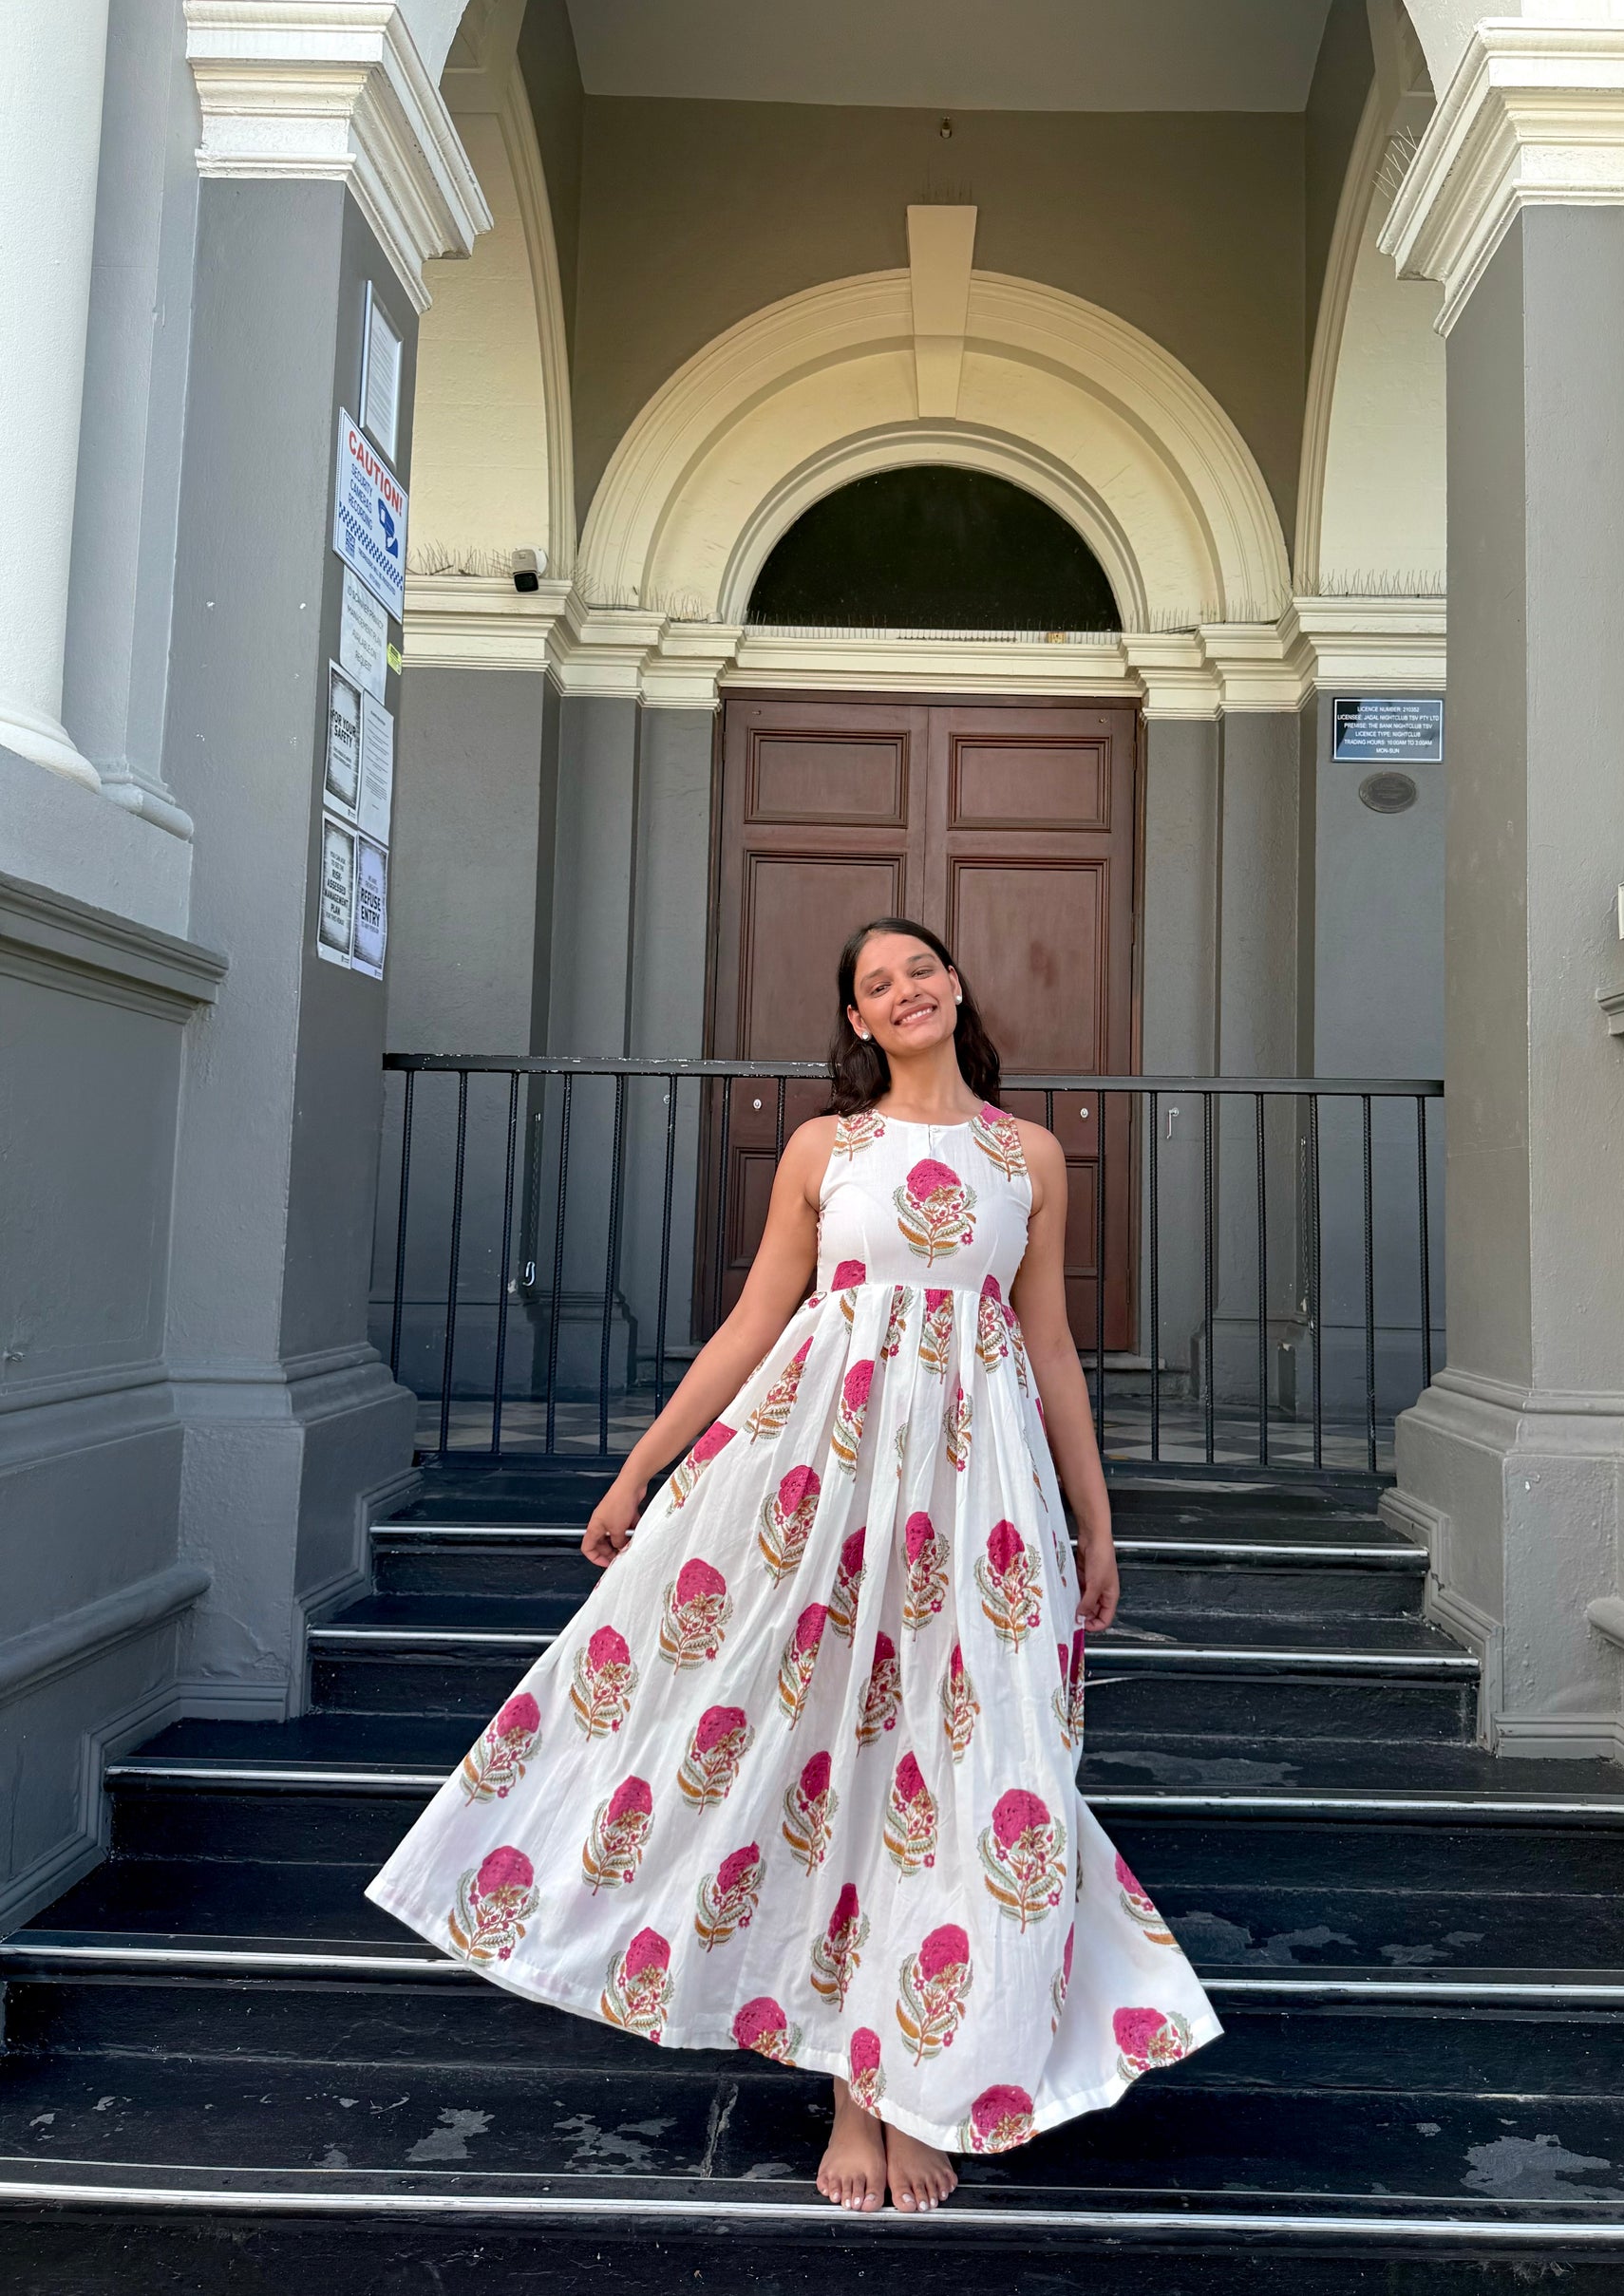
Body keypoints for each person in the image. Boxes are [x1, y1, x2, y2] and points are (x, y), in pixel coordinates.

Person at [367, 918, 1219, 2213]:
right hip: (822, 1494)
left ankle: (913, 2082)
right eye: (878, 983)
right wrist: (639, 1470)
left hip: (978, 1510)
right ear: (859, 1022)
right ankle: (852, 2091)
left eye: (921, 968)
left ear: (955, 987)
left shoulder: (1028, 1156)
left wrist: (1093, 1524)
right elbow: (754, 1322)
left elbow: (1047, 1347)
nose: (906, 989)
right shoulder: (828, 1150)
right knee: (835, 1757)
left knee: (960, 1762)